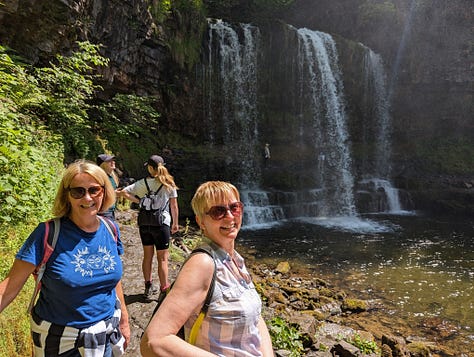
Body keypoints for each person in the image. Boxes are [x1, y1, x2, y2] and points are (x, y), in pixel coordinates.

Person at [0, 159, 130, 356]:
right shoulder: (48, 233)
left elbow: (113, 279)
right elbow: (9, 288)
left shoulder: (110, 229)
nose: (87, 198)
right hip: (57, 339)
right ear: (67, 195)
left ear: (104, 192)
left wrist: (124, 320)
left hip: (104, 336)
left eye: (94, 190)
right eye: (78, 191)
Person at [140, 181, 273, 357]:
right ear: (201, 221)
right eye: (218, 211)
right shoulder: (202, 264)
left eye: (235, 208)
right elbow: (154, 341)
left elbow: (256, 317)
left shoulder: (234, 259)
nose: (230, 217)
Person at [116, 155, 179, 298]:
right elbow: (174, 206)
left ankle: (148, 287)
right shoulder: (169, 183)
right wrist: (175, 223)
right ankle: (164, 290)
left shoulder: (141, 183)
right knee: (162, 259)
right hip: (162, 223)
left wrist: (138, 201)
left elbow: (125, 192)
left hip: (145, 223)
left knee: (147, 256)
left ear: (150, 168)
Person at [97, 153, 119, 220]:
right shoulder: (100, 177)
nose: (113, 162)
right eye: (109, 161)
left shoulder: (112, 177)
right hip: (103, 212)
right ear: (103, 164)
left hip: (111, 211)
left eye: (113, 160)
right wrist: (115, 193)